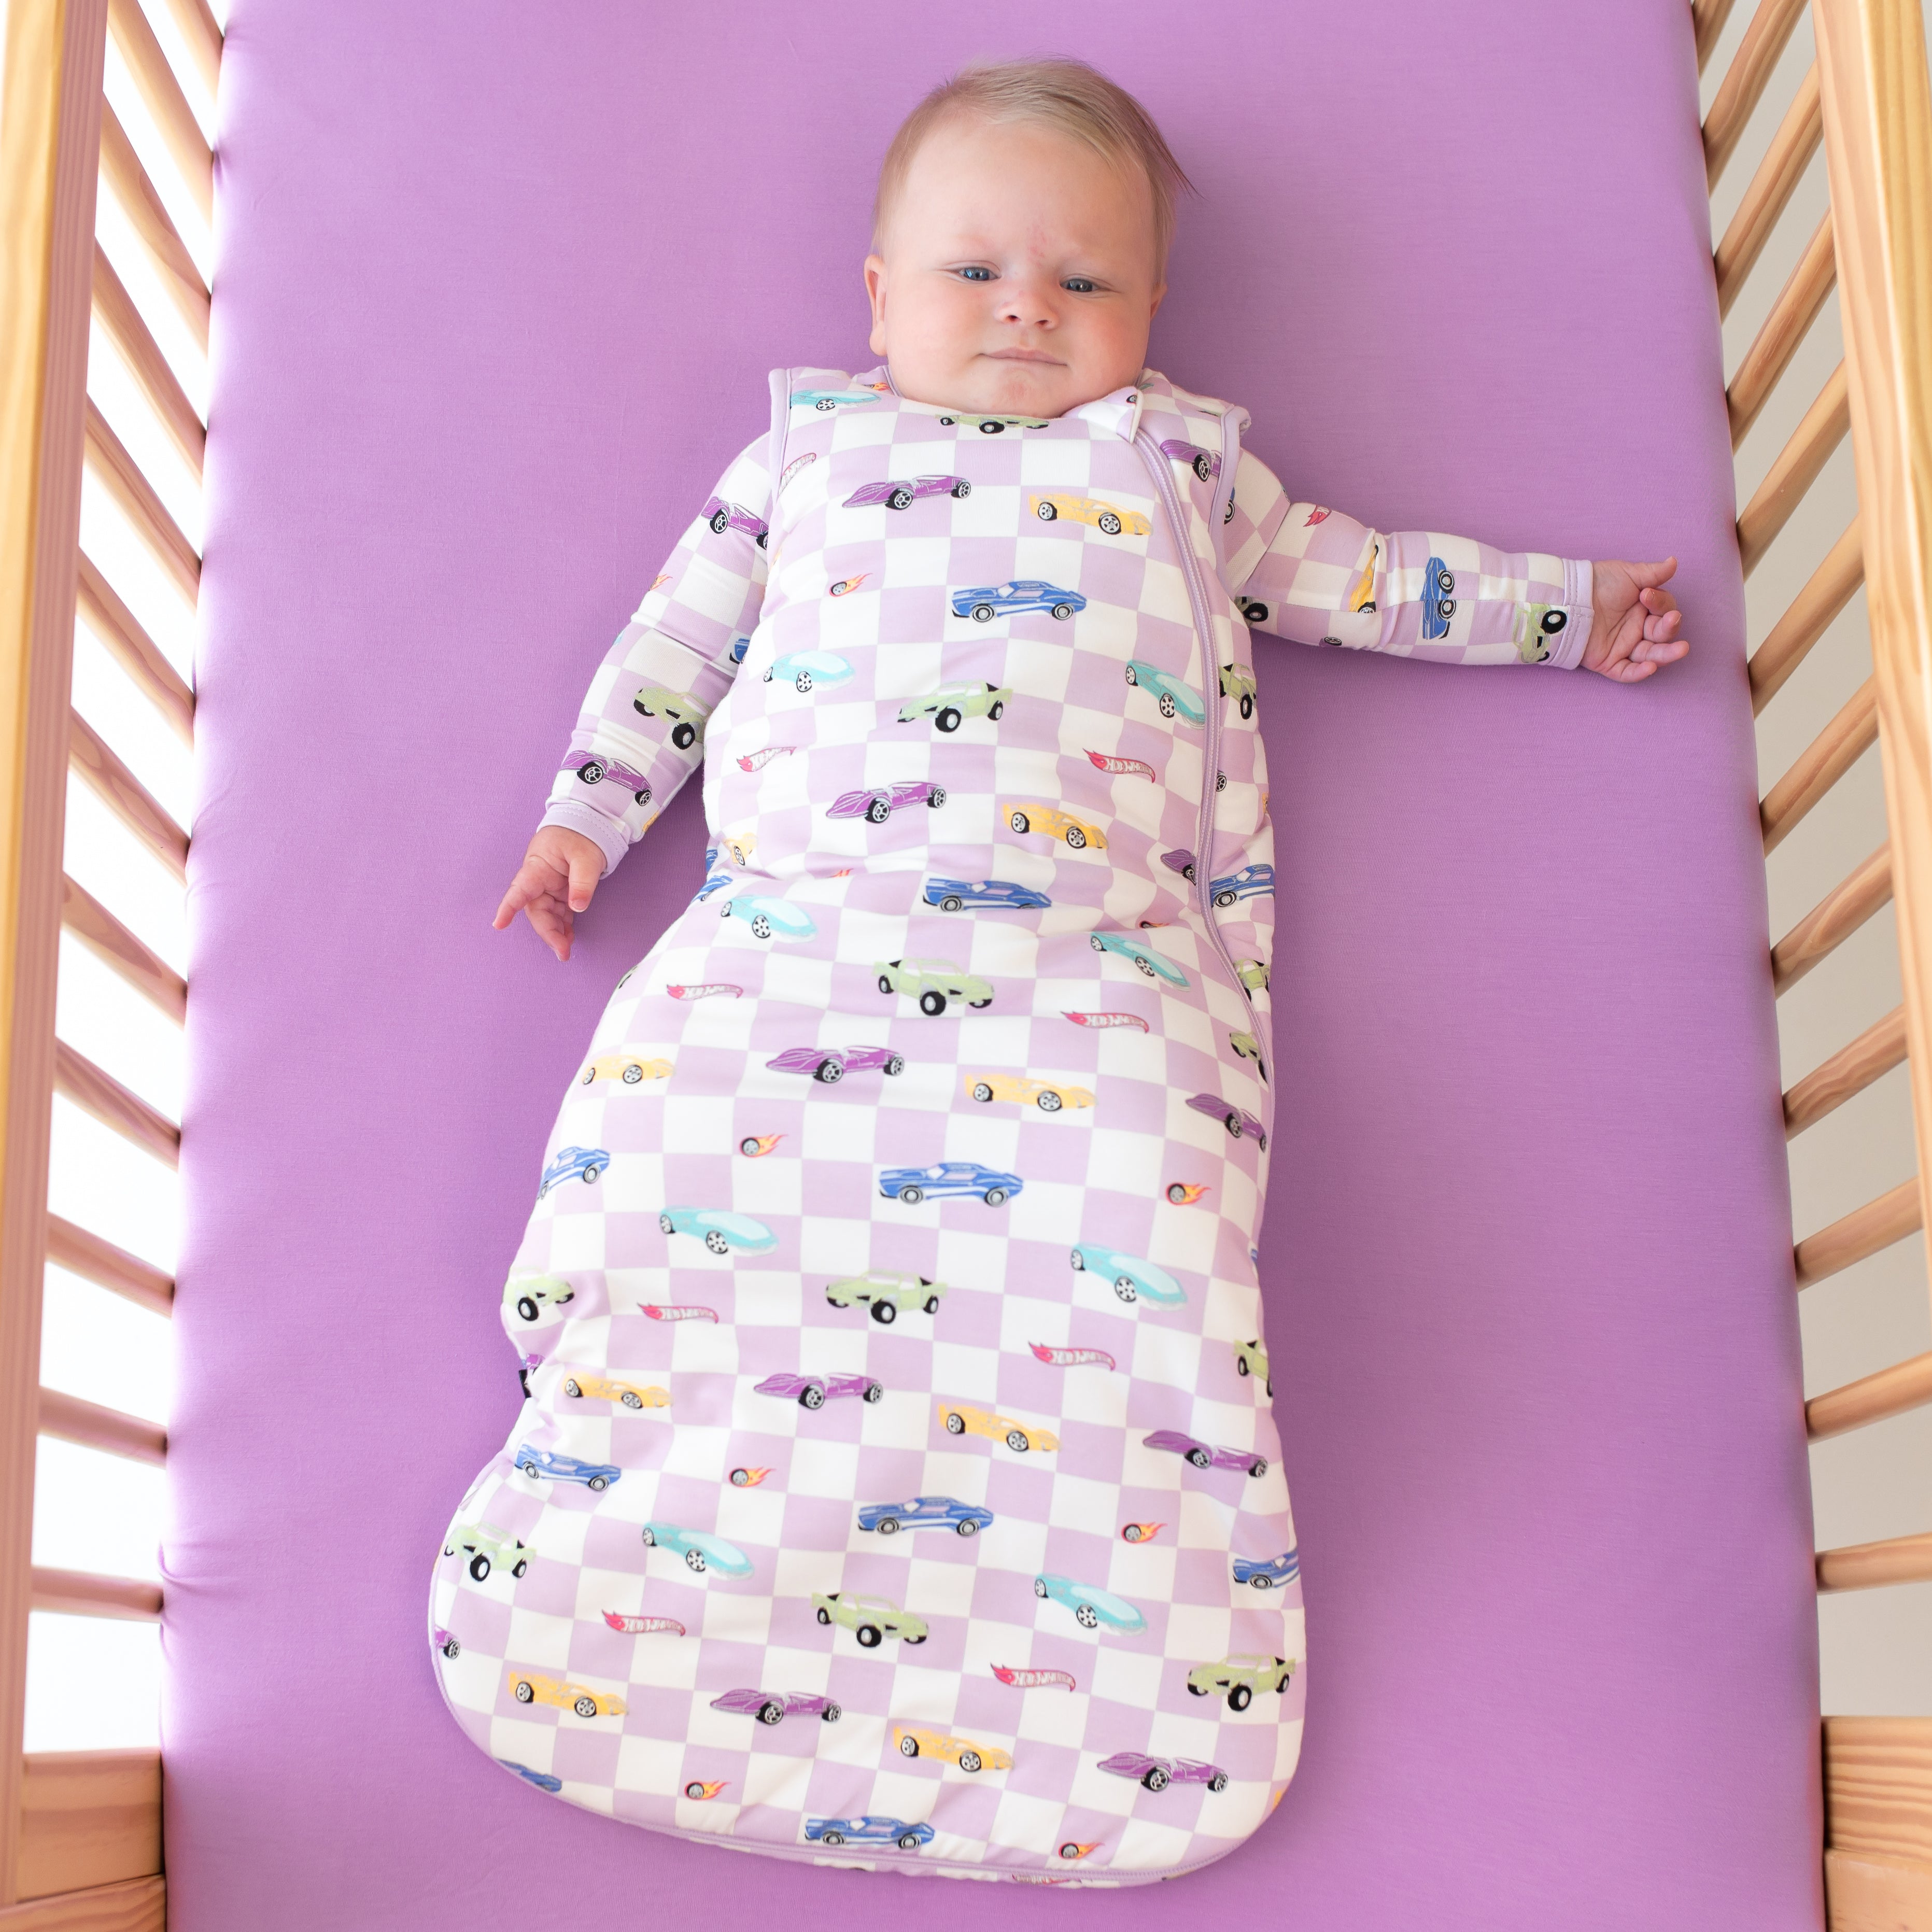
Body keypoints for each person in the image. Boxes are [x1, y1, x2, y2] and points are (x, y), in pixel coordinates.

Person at [440, 56, 1690, 1885]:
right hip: (803, 932)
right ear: (877, 297)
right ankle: (644, 1551)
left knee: (1136, 1225)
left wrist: (1564, 614)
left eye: (1087, 282)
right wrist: (585, 819)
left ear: (1153, 315)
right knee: (669, 1166)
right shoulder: (808, 451)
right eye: (976, 272)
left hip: (1096, 959)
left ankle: (1109, 1635)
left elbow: (1365, 574)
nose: (1031, 306)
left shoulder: (1183, 465)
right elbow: (674, 650)